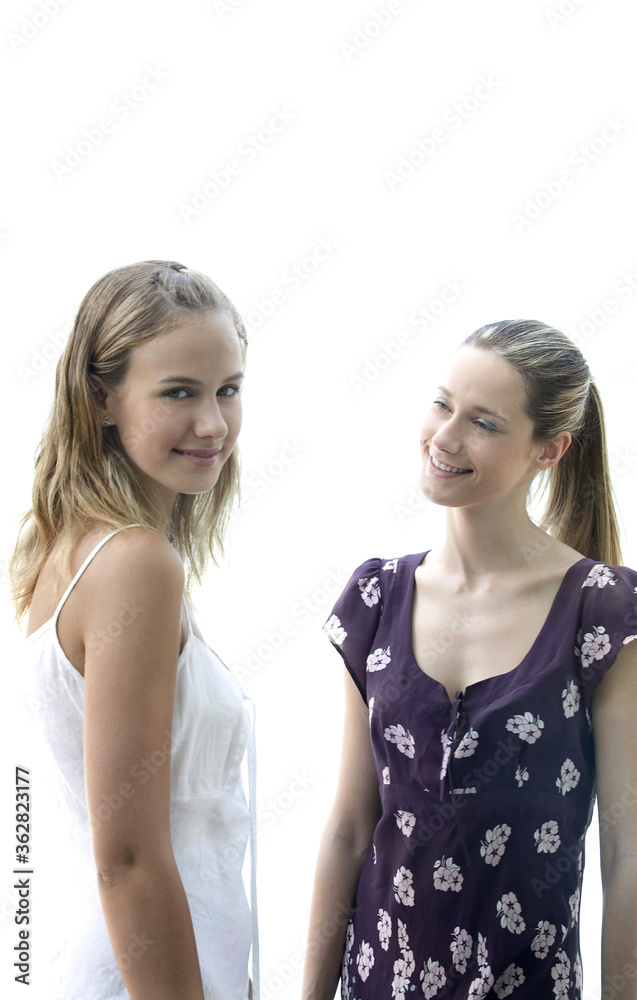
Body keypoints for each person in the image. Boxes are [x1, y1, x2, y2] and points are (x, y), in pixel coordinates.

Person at [301, 320, 637, 1000]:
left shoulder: (600, 611)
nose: (445, 437)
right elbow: (346, 827)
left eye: (482, 422)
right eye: (440, 403)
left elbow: (625, 854)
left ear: (548, 449)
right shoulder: (374, 597)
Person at [9, 260, 258, 1000]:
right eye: (178, 392)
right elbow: (128, 857)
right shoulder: (134, 564)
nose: (212, 423)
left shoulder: (71, 547)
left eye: (228, 390)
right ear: (102, 398)